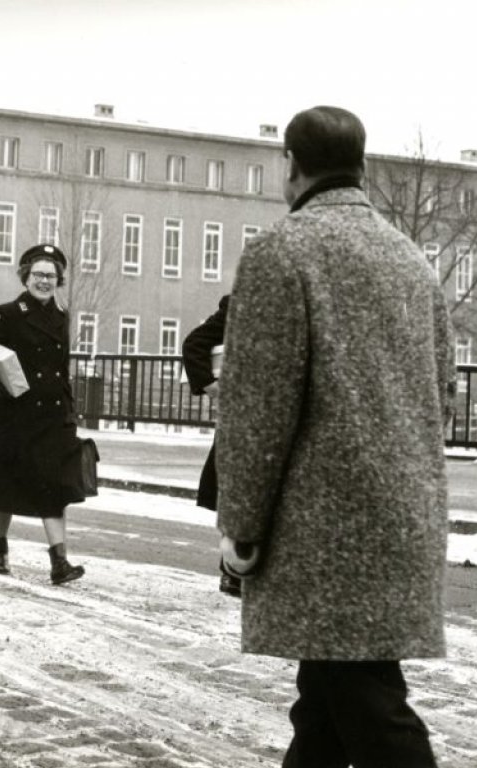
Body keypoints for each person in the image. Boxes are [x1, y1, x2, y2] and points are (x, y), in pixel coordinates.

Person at [215, 106, 455, 768]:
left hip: (321, 535)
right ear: (363, 166)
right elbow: (446, 396)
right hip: (402, 518)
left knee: (372, 712)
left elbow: (259, 412)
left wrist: (241, 529)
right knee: (326, 704)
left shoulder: (281, 253)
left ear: (291, 165)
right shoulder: (411, 260)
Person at [0, 244, 86, 585]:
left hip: (52, 418)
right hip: (14, 416)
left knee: (56, 486)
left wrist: (69, 408)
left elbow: (61, 368)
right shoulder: (9, 313)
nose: (44, 281)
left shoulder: (61, 317)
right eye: (37, 275)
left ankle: (59, 561)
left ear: (58, 280)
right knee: (3, 484)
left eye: (50, 276)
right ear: (25, 277)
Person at [181, 294, 241, 598]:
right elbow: (194, 345)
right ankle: (232, 571)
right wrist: (211, 385)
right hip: (244, 415)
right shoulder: (240, 304)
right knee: (238, 491)